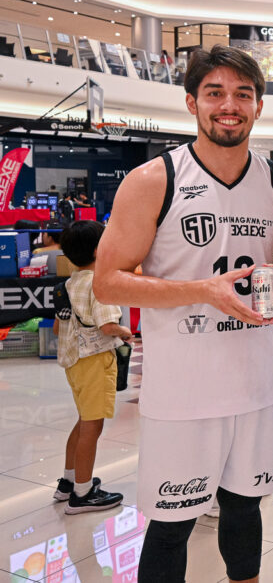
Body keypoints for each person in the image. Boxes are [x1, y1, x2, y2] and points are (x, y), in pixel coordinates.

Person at [94, 45, 273, 581]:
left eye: (243, 94)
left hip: (257, 385)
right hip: (182, 391)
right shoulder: (153, 180)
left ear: (259, 106)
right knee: (171, 526)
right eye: (215, 93)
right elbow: (108, 280)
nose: (229, 106)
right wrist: (202, 291)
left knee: (245, 510)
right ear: (192, 102)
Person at [53, 220, 131, 514]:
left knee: (83, 420)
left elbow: (59, 328)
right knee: (92, 427)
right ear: (100, 250)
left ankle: (68, 481)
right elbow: (108, 325)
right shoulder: (101, 284)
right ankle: (82, 493)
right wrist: (125, 332)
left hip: (74, 363)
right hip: (95, 362)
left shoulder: (68, 284)